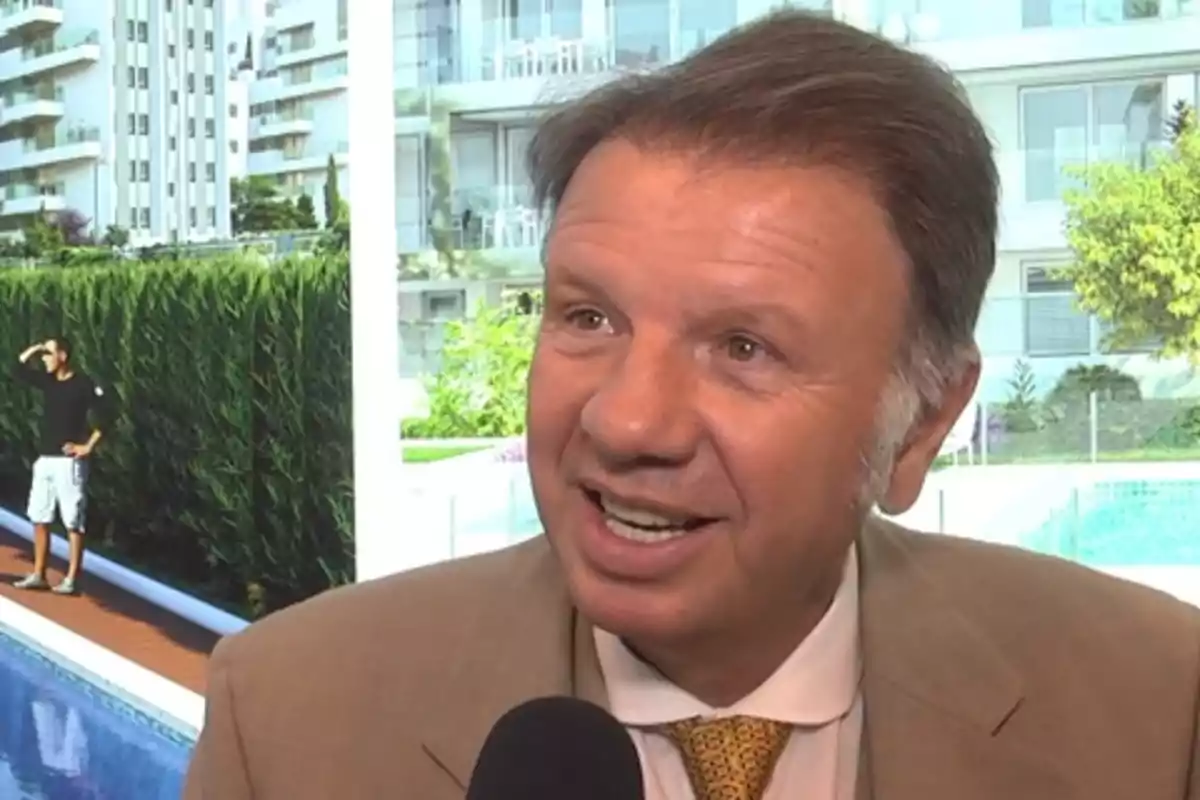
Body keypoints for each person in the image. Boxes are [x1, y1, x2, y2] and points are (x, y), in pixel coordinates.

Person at [184, 11, 1200, 800]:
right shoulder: (284, 719)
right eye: (589, 316)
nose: (627, 424)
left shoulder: (1157, 709)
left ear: (926, 416)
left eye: (743, 347)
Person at [9, 337, 110, 596]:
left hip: (69, 463)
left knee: (72, 521)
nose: (44, 359)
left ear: (63, 356)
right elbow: (17, 368)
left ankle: (71, 578)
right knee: (39, 516)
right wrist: (36, 348)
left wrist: (87, 446)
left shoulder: (83, 384)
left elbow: (108, 414)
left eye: (49, 354)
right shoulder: (48, 382)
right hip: (45, 460)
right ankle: (39, 573)